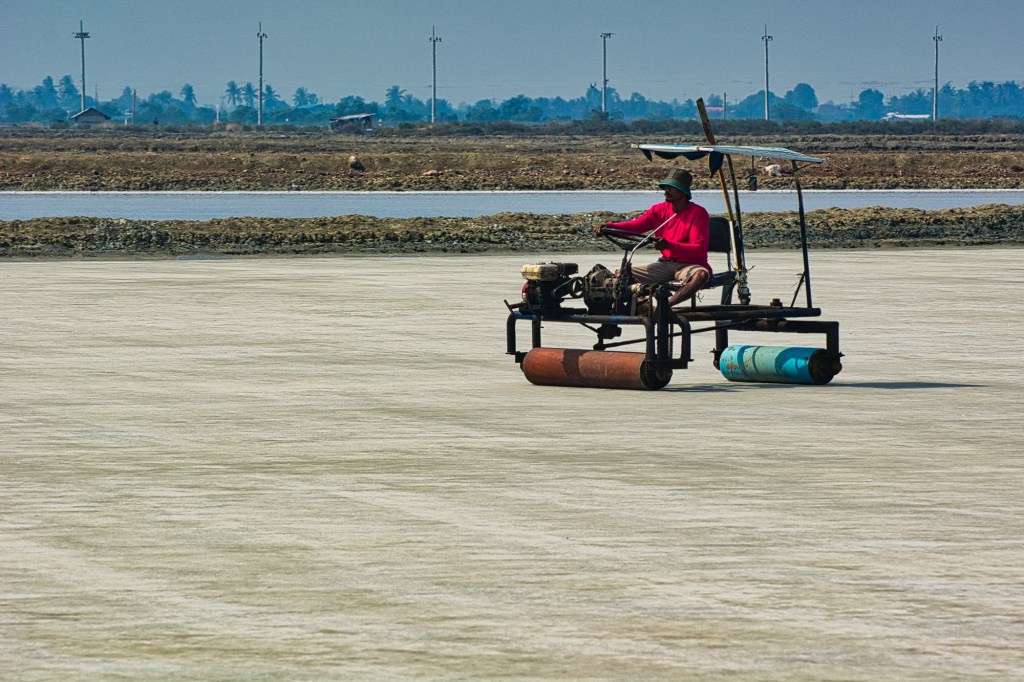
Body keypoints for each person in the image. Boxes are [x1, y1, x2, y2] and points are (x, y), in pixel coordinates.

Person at [595, 168, 711, 307]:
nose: (666, 191)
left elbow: (698, 249)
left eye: (671, 188)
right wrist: (609, 227)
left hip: (690, 264)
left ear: (683, 191)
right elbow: (635, 226)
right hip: (665, 264)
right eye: (665, 187)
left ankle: (665, 307)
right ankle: (645, 308)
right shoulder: (658, 210)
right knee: (621, 276)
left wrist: (669, 245)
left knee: (701, 276)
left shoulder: (698, 213)